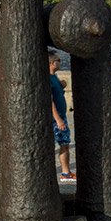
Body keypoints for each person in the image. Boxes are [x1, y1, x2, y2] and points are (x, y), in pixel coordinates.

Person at [49, 50, 74, 182]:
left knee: (64, 144)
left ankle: (66, 172)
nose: (60, 62)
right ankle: (65, 173)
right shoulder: (49, 78)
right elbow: (50, 100)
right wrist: (58, 119)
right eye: (58, 60)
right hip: (57, 118)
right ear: (52, 63)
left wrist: (61, 84)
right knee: (64, 144)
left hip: (60, 116)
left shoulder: (54, 77)